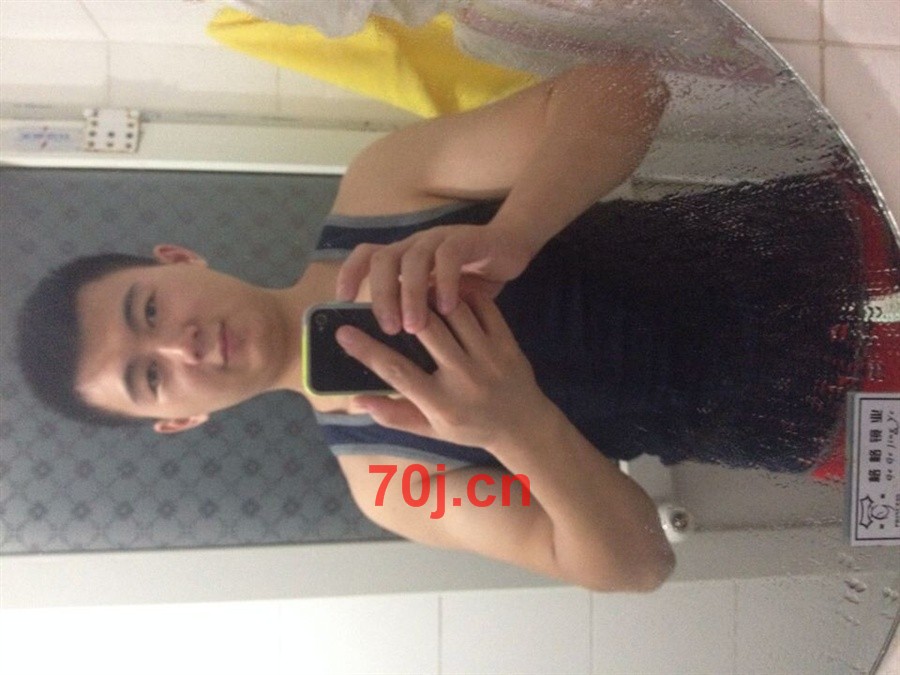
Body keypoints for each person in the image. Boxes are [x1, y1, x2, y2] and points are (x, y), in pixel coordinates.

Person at [16, 62, 862, 591]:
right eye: (150, 375)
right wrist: (518, 427)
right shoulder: (387, 478)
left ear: (177, 259)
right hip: (825, 416)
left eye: (149, 309)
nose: (181, 345)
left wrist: (516, 230)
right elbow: (637, 565)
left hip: (836, 246)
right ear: (179, 418)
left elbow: (628, 90)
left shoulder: (382, 192)